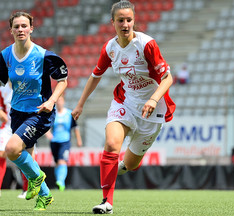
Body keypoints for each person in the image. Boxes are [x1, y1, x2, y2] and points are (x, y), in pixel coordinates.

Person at [72, 0, 176, 214]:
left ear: (134, 21)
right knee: (111, 144)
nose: (125, 24)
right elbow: (95, 76)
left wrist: (153, 99)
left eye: (129, 20)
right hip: (125, 102)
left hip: (152, 111)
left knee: (130, 165)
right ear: (113, 23)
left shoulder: (146, 44)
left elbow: (167, 78)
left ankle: (118, 167)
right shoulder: (110, 48)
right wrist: (80, 104)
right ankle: (106, 202)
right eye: (121, 20)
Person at [0, 12, 68, 210]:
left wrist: (52, 101)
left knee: (12, 149)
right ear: (11, 30)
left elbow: (63, 81)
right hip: (17, 113)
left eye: (24, 26)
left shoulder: (43, 55)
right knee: (26, 155)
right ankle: (45, 195)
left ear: (31, 29)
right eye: (17, 26)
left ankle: (37, 178)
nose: (20, 30)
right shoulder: (5, 56)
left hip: (39, 112)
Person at [45, 94, 82, 191]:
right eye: (57, 101)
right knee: (57, 162)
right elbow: (46, 126)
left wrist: (79, 140)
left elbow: (75, 127)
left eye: (61, 100)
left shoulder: (69, 114)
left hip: (65, 141)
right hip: (54, 141)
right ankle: (59, 181)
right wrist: (48, 134)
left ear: (64, 102)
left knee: (62, 161)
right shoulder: (53, 114)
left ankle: (61, 181)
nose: (59, 103)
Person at [0, 83, 12, 196]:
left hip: (22, 125)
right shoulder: (2, 90)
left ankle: (27, 188)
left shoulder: (24, 86)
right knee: (1, 154)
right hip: (7, 126)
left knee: (26, 155)